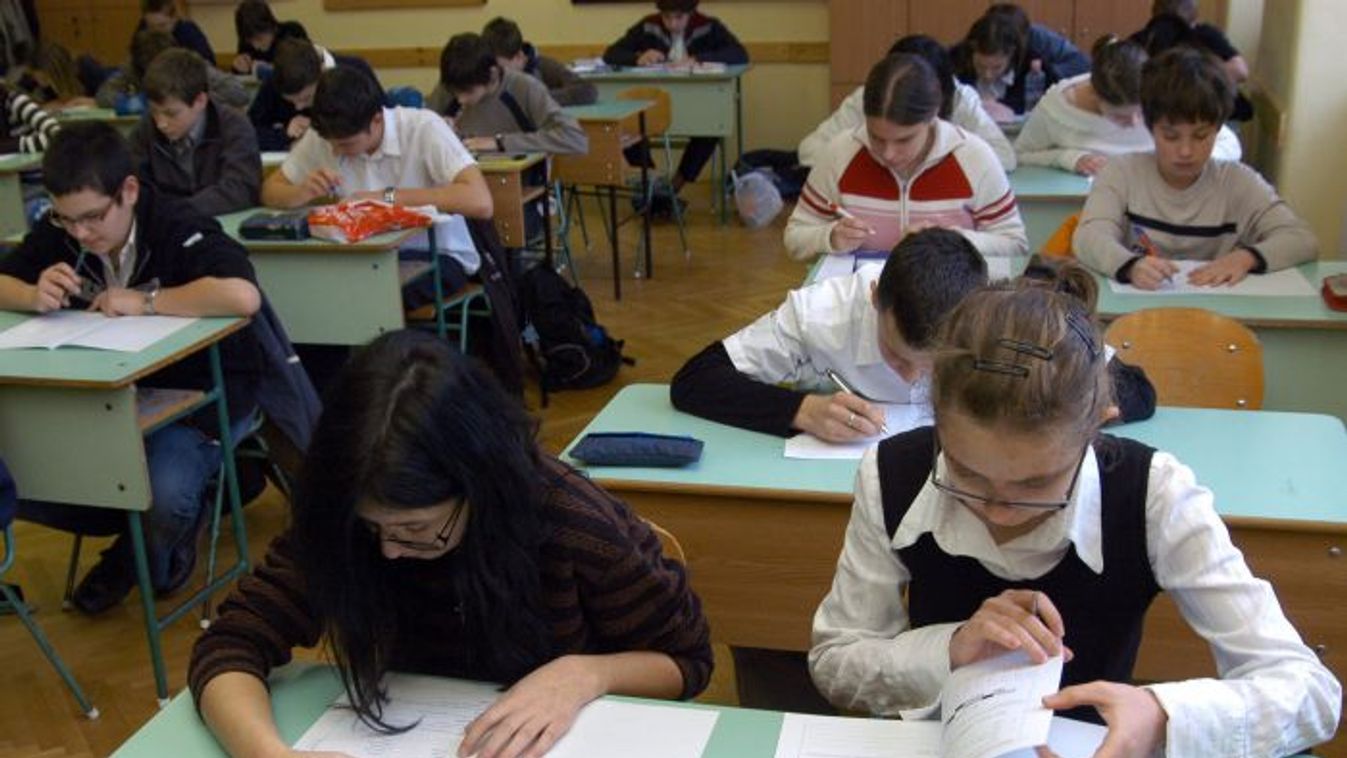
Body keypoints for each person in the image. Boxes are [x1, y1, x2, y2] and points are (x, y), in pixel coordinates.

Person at [808, 281, 1341, 755]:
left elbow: (1310, 692)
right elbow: (835, 660)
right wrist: (949, 648)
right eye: (966, 475)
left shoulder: (1153, 493)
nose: (997, 509)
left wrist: (1161, 715)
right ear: (935, 419)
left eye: (1035, 485)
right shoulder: (892, 472)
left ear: (1097, 426)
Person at [190, 330, 713, 758]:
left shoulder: (574, 523)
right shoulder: (347, 515)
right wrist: (268, 754)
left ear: (479, 489)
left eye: (416, 529)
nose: (390, 551)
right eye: (374, 529)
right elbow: (231, 642)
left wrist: (584, 675)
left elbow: (687, 661)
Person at [0, 122, 263, 615]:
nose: (80, 233)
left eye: (93, 217)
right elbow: (4, 278)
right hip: (107, 399)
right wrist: (31, 293)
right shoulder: (64, 231)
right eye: (65, 219)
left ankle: (141, 546)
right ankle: (141, 530)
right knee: (28, 475)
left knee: (162, 493)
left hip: (200, 399)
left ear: (129, 191)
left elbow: (242, 295)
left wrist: (147, 301)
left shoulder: (174, 223)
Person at [1073, 48, 1316, 290]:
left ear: (1218, 129)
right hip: (1138, 307)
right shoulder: (1121, 174)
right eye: (1171, 136)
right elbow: (1088, 237)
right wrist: (1130, 265)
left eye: (1200, 136)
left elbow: (1302, 239)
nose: (1186, 151)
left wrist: (1246, 257)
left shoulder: (1239, 183)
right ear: (1151, 128)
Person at [262, 65, 492, 308]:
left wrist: (387, 197)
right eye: (332, 144)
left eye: (347, 144)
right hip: (361, 256)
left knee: (358, 297)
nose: (336, 152)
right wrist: (301, 193)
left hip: (436, 254)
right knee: (303, 291)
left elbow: (480, 201)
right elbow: (270, 191)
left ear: (377, 120)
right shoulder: (326, 135)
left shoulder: (422, 127)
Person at [785, 53, 1027, 262]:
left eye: (904, 140)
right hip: (859, 292)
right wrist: (830, 237)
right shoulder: (840, 152)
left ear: (932, 116)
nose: (888, 154)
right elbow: (795, 237)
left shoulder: (975, 157)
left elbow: (1016, 246)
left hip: (950, 296)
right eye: (876, 137)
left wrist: (953, 240)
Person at [1014, 35, 1240, 176]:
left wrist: (1180, 161)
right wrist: (1070, 158)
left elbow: (1229, 145)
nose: (1135, 123)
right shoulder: (1057, 108)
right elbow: (1021, 154)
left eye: (1142, 112)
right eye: (1120, 117)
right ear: (1094, 95)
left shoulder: (1164, 95)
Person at [800, 35, 1015, 172]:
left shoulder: (960, 99)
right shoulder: (875, 96)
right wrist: (873, 163)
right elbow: (810, 151)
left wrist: (935, 166)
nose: (890, 152)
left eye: (905, 139)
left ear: (939, 98)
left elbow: (1004, 157)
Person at [602, 0, 748, 196]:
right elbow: (611, 54)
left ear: (691, 13)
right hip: (653, 103)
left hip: (695, 102)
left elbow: (740, 54)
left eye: (679, 17)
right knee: (630, 125)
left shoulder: (708, 26)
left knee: (711, 127)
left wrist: (698, 59)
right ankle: (651, 185)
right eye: (667, 17)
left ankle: (676, 184)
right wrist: (637, 58)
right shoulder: (648, 25)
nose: (672, 24)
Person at [132, 48, 260, 217]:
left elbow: (240, 188)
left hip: (219, 223)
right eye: (154, 111)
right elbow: (131, 185)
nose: (161, 123)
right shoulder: (146, 129)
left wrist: (180, 210)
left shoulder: (234, 126)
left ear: (200, 101)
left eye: (171, 114)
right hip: (166, 224)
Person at [427, 33, 587, 156]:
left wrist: (500, 143)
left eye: (468, 92)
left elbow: (575, 139)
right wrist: (439, 129)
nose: (460, 99)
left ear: (492, 74)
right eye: (455, 92)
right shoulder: (454, 83)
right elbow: (422, 132)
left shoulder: (525, 87)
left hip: (518, 181)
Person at [952, 3, 1090, 119]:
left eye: (997, 67)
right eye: (980, 66)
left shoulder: (1034, 63)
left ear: (1012, 54)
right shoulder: (956, 58)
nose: (987, 75)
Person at [248, 37, 381, 151]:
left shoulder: (356, 71)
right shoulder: (275, 81)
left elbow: (379, 123)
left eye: (306, 98)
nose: (298, 107)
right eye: (290, 101)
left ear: (322, 74)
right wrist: (284, 134)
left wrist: (322, 130)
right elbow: (248, 132)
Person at [1132, 0, 1251, 120]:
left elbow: (1240, 71)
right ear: (1194, 15)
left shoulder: (1141, 40)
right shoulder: (1204, 34)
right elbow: (1240, 71)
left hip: (1165, 115)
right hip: (1208, 113)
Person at [96, 29, 250, 112]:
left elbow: (238, 93)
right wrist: (130, 103)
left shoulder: (192, 64)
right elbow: (104, 94)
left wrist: (190, 99)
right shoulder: (132, 66)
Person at [480, 16, 596, 106]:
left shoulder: (544, 66)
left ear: (519, 57)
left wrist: (535, 98)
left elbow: (587, 90)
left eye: (501, 68)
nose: (495, 74)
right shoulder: (486, 69)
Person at [231, 0, 310, 76]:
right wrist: (237, 67)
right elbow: (239, 78)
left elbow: (310, 66)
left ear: (270, 26)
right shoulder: (246, 43)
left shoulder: (293, 32)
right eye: (250, 40)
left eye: (259, 38)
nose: (255, 46)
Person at [137, 0, 215, 66]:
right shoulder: (143, 28)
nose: (155, 31)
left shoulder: (189, 32)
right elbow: (135, 60)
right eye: (151, 26)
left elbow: (207, 65)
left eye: (161, 25)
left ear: (175, 18)